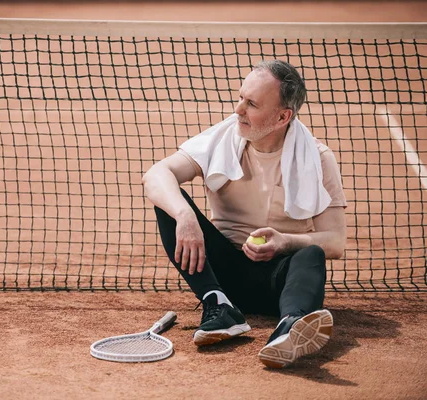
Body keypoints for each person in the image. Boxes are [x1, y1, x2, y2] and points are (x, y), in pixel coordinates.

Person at [141, 59, 347, 368]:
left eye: (251, 103)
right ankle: (218, 306)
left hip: (282, 281)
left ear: (282, 116)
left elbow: (335, 242)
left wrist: (286, 242)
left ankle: (290, 327)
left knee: (312, 253)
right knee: (170, 203)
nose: (238, 109)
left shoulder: (318, 158)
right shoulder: (222, 138)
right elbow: (157, 174)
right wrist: (185, 216)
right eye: (240, 97)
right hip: (225, 275)